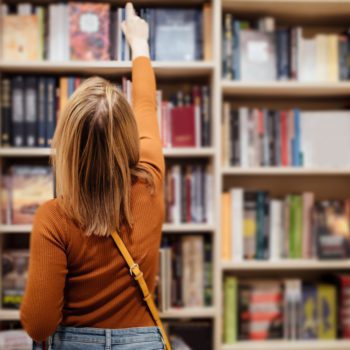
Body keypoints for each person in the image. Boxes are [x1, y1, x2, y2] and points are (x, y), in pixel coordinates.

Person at [20, 3, 166, 349]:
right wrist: (140, 45)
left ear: (67, 148)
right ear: (128, 136)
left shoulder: (53, 219)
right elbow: (146, 104)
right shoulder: (150, 181)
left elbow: (39, 325)